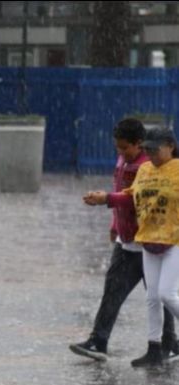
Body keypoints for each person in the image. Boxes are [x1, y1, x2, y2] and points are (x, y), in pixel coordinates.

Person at [71, 119, 178, 362]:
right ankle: (110, 341)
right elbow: (128, 193)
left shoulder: (163, 168)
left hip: (162, 240)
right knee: (138, 293)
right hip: (133, 238)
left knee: (164, 294)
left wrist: (107, 199)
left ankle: (168, 343)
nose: (120, 153)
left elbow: (131, 199)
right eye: (117, 148)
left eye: (124, 148)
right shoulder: (139, 166)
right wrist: (114, 222)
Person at [101, 127, 179, 367]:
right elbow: (131, 195)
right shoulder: (144, 170)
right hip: (148, 239)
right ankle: (154, 349)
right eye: (149, 150)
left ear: (170, 146)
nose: (152, 154)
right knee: (152, 297)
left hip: (174, 240)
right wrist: (105, 199)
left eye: (156, 149)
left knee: (167, 294)